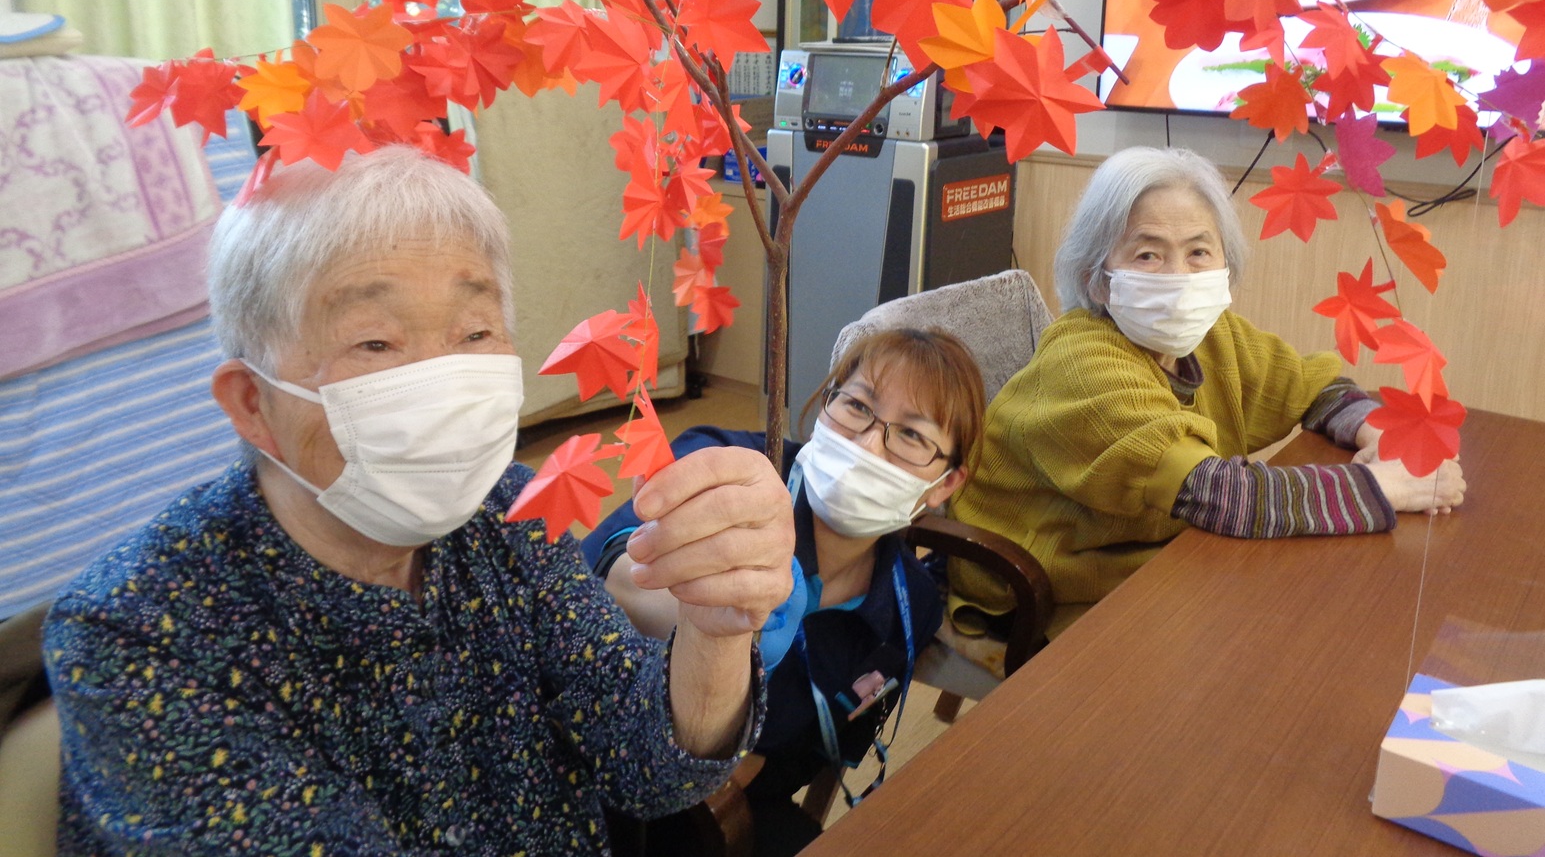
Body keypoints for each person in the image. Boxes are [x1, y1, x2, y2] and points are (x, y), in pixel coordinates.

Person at [41, 146, 795, 856]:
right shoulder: (139, 629)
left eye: (474, 330)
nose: (443, 384)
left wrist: (716, 625)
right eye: (375, 342)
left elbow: (653, 771)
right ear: (252, 402)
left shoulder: (506, 517)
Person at [948, 145, 1466, 632]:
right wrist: (1389, 488)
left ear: (1225, 266)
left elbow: (1318, 387)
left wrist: (1382, 437)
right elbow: (1220, 495)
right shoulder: (1084, 365)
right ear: (1096, 279)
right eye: (1148, 256)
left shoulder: (1216, 339)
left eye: (1198, 252)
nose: (1178, 277)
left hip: (1161, 557)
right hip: (1056, 585)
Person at [583, 328, 985, 857]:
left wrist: (757, 770)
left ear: (944, 485)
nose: (867, 444)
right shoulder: (726, 464)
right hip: (603, 751)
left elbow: (831, 743)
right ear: (825, 404)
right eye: (858, 405)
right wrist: (708, 615)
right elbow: (609, 571)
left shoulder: (908, 609)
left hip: (739, 801)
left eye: (911, 436)